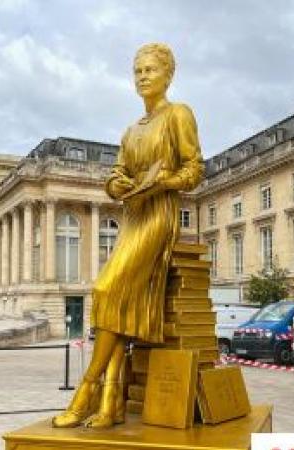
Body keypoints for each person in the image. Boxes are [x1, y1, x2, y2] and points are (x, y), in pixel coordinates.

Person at [51, 42, 204, 429]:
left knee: (105, 290)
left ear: (168, 75)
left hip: (159, 215)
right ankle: (110, 403)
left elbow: (194, 169)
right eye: (137, 71)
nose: (142, 77)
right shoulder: (130, 131)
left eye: (150, 70)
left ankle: (86, 389)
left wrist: (166, 180)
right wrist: (117, 187)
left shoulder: (179, 114)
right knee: (119, 310)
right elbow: (117, 175)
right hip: (133, 214)